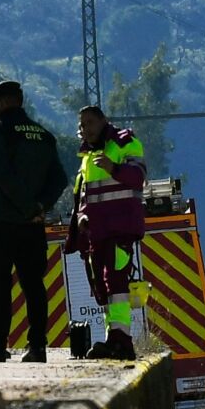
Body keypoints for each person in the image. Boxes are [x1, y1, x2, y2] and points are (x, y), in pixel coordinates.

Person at [0, 81, 68, 363]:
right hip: (32, 225)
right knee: (34, 286)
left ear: (3, 103)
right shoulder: (44, 135)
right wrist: (39, 207)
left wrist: (25, 207)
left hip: (1, 223)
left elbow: (1, 174)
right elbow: (59, 178)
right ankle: (37, 347)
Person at [65, 106, 147, 360]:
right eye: (82, 125)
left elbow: (138, 177)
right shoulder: (87, 156)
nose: (86, 128)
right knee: (102, 287)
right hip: (96, 232)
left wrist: (114, 168)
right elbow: (83, 196)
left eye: (90, 122)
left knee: (116, 282)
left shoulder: (124, 142)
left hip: (119, 228)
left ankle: (122, 340)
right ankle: (113, 337)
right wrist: (80, 219)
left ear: (104, 122)